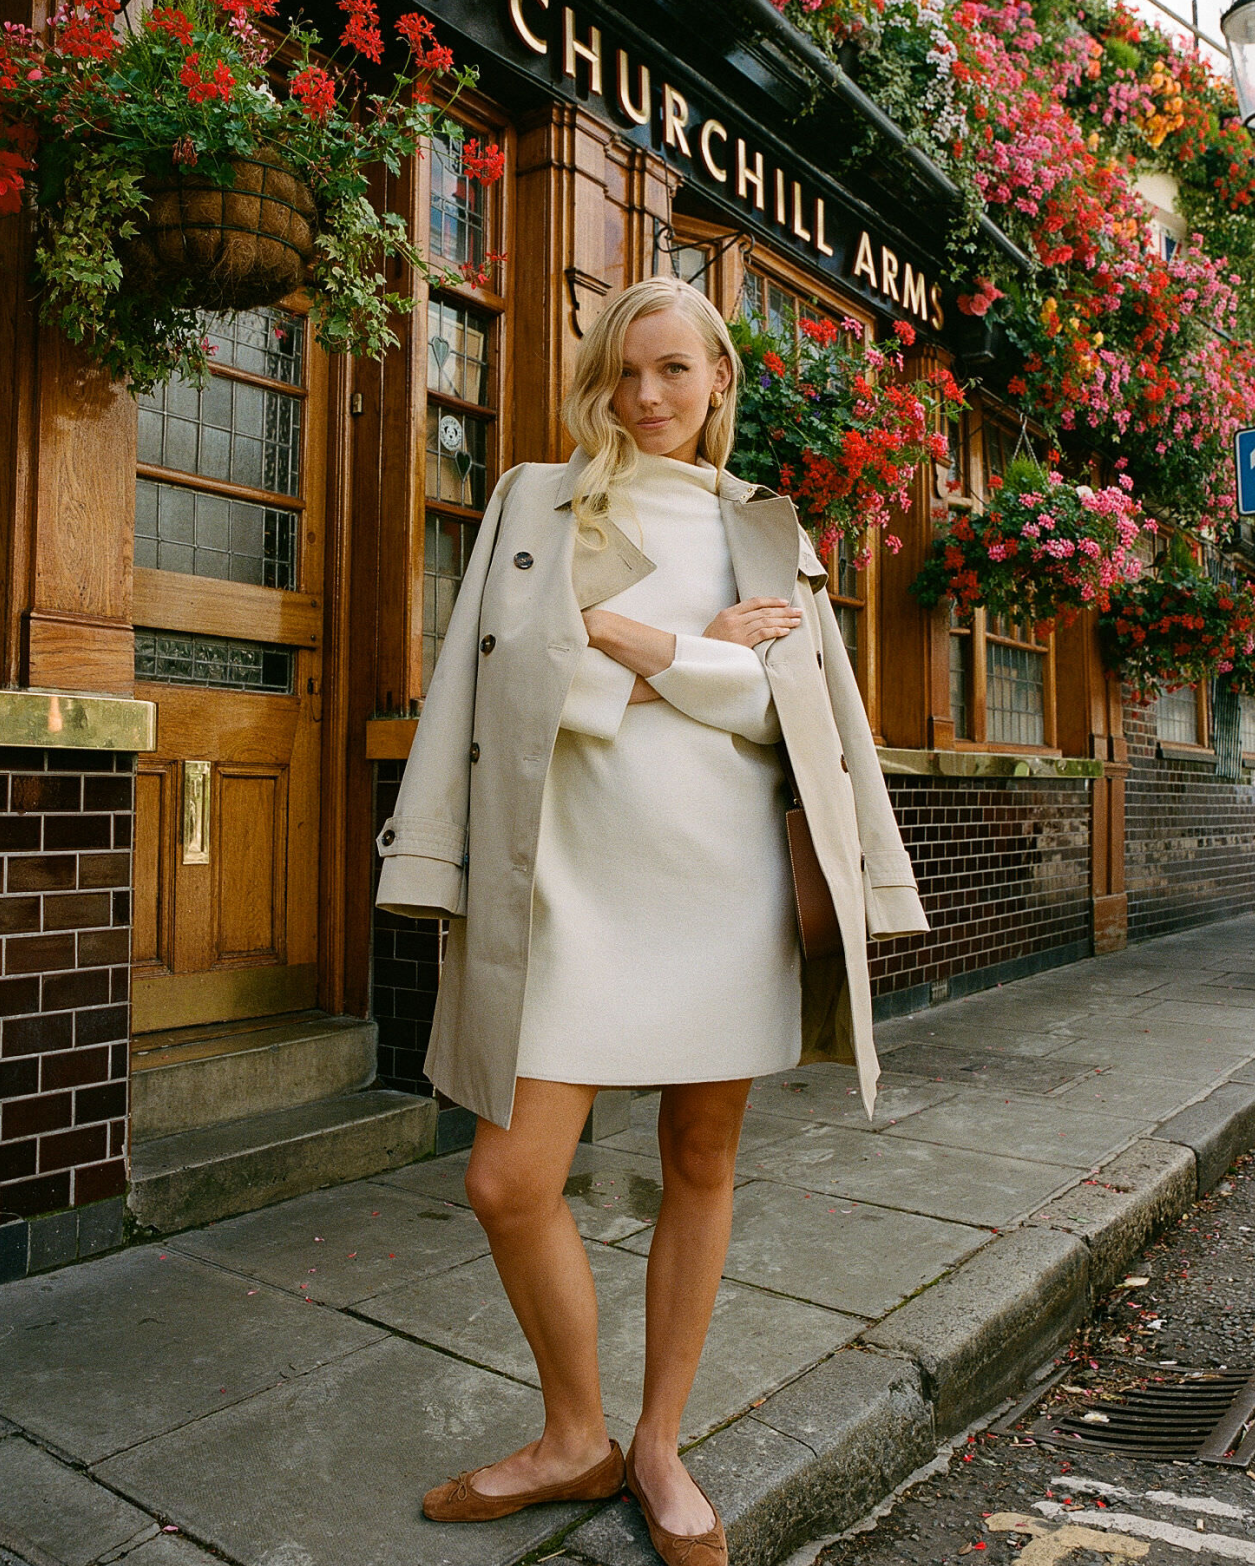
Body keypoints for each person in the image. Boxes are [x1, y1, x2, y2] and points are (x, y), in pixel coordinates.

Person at [375, 275, 927, 1566]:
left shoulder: (763, 523)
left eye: (674, 370)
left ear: (719, 378)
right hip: (565, 878)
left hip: (720, 875)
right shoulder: (535, 498)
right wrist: (669, 643)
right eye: (625, 372)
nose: (646, 397)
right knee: (508, 1178)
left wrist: (648, 654)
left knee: (700, 1160)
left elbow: (781, 708)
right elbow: (502, 665)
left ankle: (659, 1442)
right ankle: (575, 1433)